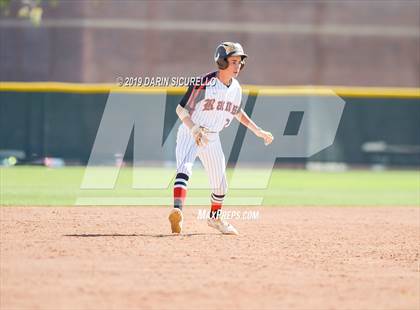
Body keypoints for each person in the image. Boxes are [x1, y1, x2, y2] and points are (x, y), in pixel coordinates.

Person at [169, 42, 273, 235]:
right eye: (233, 61)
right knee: (184, 169)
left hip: (212, 137)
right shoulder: (204, 82)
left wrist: (257, 130)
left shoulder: (236, 88)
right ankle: (177, 212)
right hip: (190, 131)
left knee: (221, 184)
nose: (238, 66)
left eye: (240, 62)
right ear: (222, 61)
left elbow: (236, 112)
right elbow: (180, 109)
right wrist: (193, 129)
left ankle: (215, 219)